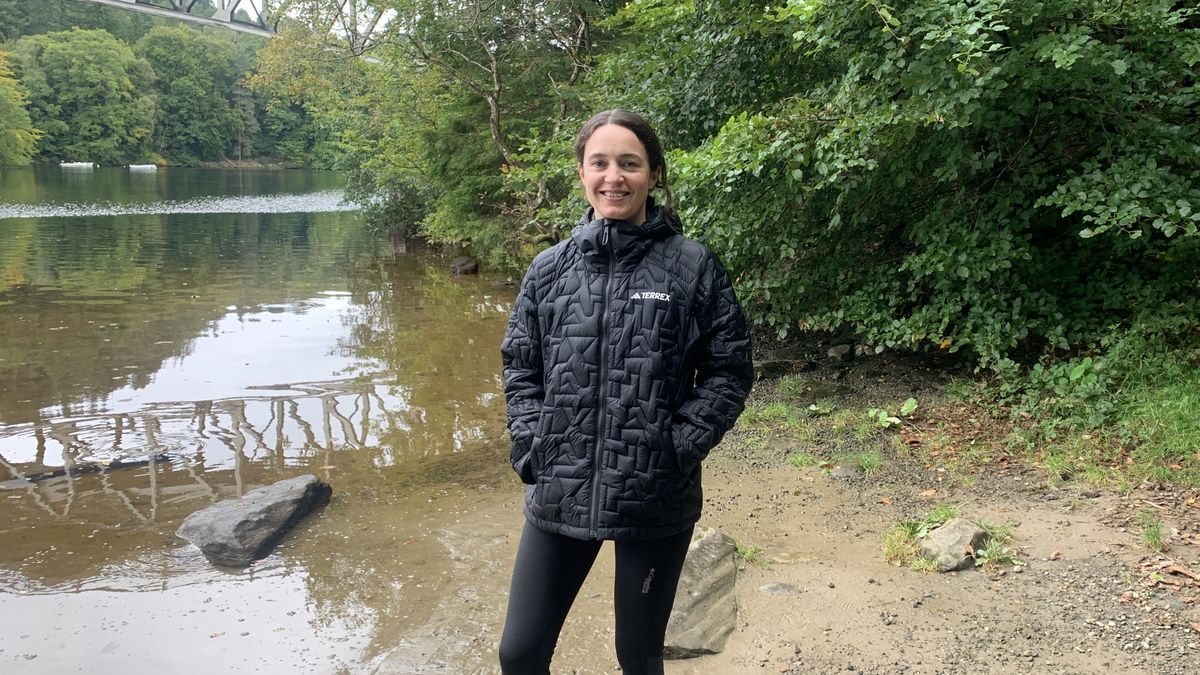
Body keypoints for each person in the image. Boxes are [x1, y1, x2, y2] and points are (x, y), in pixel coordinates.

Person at [498, 109, 753, 675]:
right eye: (600, 163)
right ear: (582, 174)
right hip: (558, 487)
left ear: (654, 175)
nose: (614, 177)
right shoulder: (548, 270)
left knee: (637, 656)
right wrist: (530, 441)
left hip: (653, 495)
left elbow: (728, 370)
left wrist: (676, 447)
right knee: (518, 654)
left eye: (629, 164)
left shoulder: (692, 267)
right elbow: (521, 366)